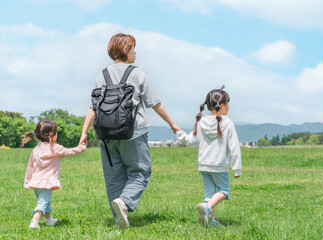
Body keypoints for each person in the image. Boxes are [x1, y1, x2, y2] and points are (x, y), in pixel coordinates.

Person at [79, 33, 181, 229]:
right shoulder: (137, 73)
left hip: (106, 135)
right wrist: (172, 124)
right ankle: (124, 203)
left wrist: (84, 132)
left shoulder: (102, 75)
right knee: (141, 172)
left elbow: (94, 107)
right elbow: (155, 103)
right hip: (133, 133)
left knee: (113, 177)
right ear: (126, 50)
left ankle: (119, 214)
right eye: (133, 48)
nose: (135, 52)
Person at [176, 86, 242, 227]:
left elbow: (191, 141)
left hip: (204, 165)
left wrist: (179, 133)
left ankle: (211, 221)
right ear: (222, 105)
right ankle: (207, 207)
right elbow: (234, 147)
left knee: (210, 193)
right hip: (219, 166)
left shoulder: (201, 122)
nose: (229, 107)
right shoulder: (227, 122)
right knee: (224, 190)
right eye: (228, 103)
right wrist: (237, 169)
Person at [22, 120, 86, 229]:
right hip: (48, 182)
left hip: (35, 183)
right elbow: (71, 152)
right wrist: (82, 146)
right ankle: (34, 222)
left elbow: (30, 166)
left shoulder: (36, 150)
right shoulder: (56, 148)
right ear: (53, 135)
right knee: (42, 203)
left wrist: (27, 181)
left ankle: (49, 219)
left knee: (45, 201)